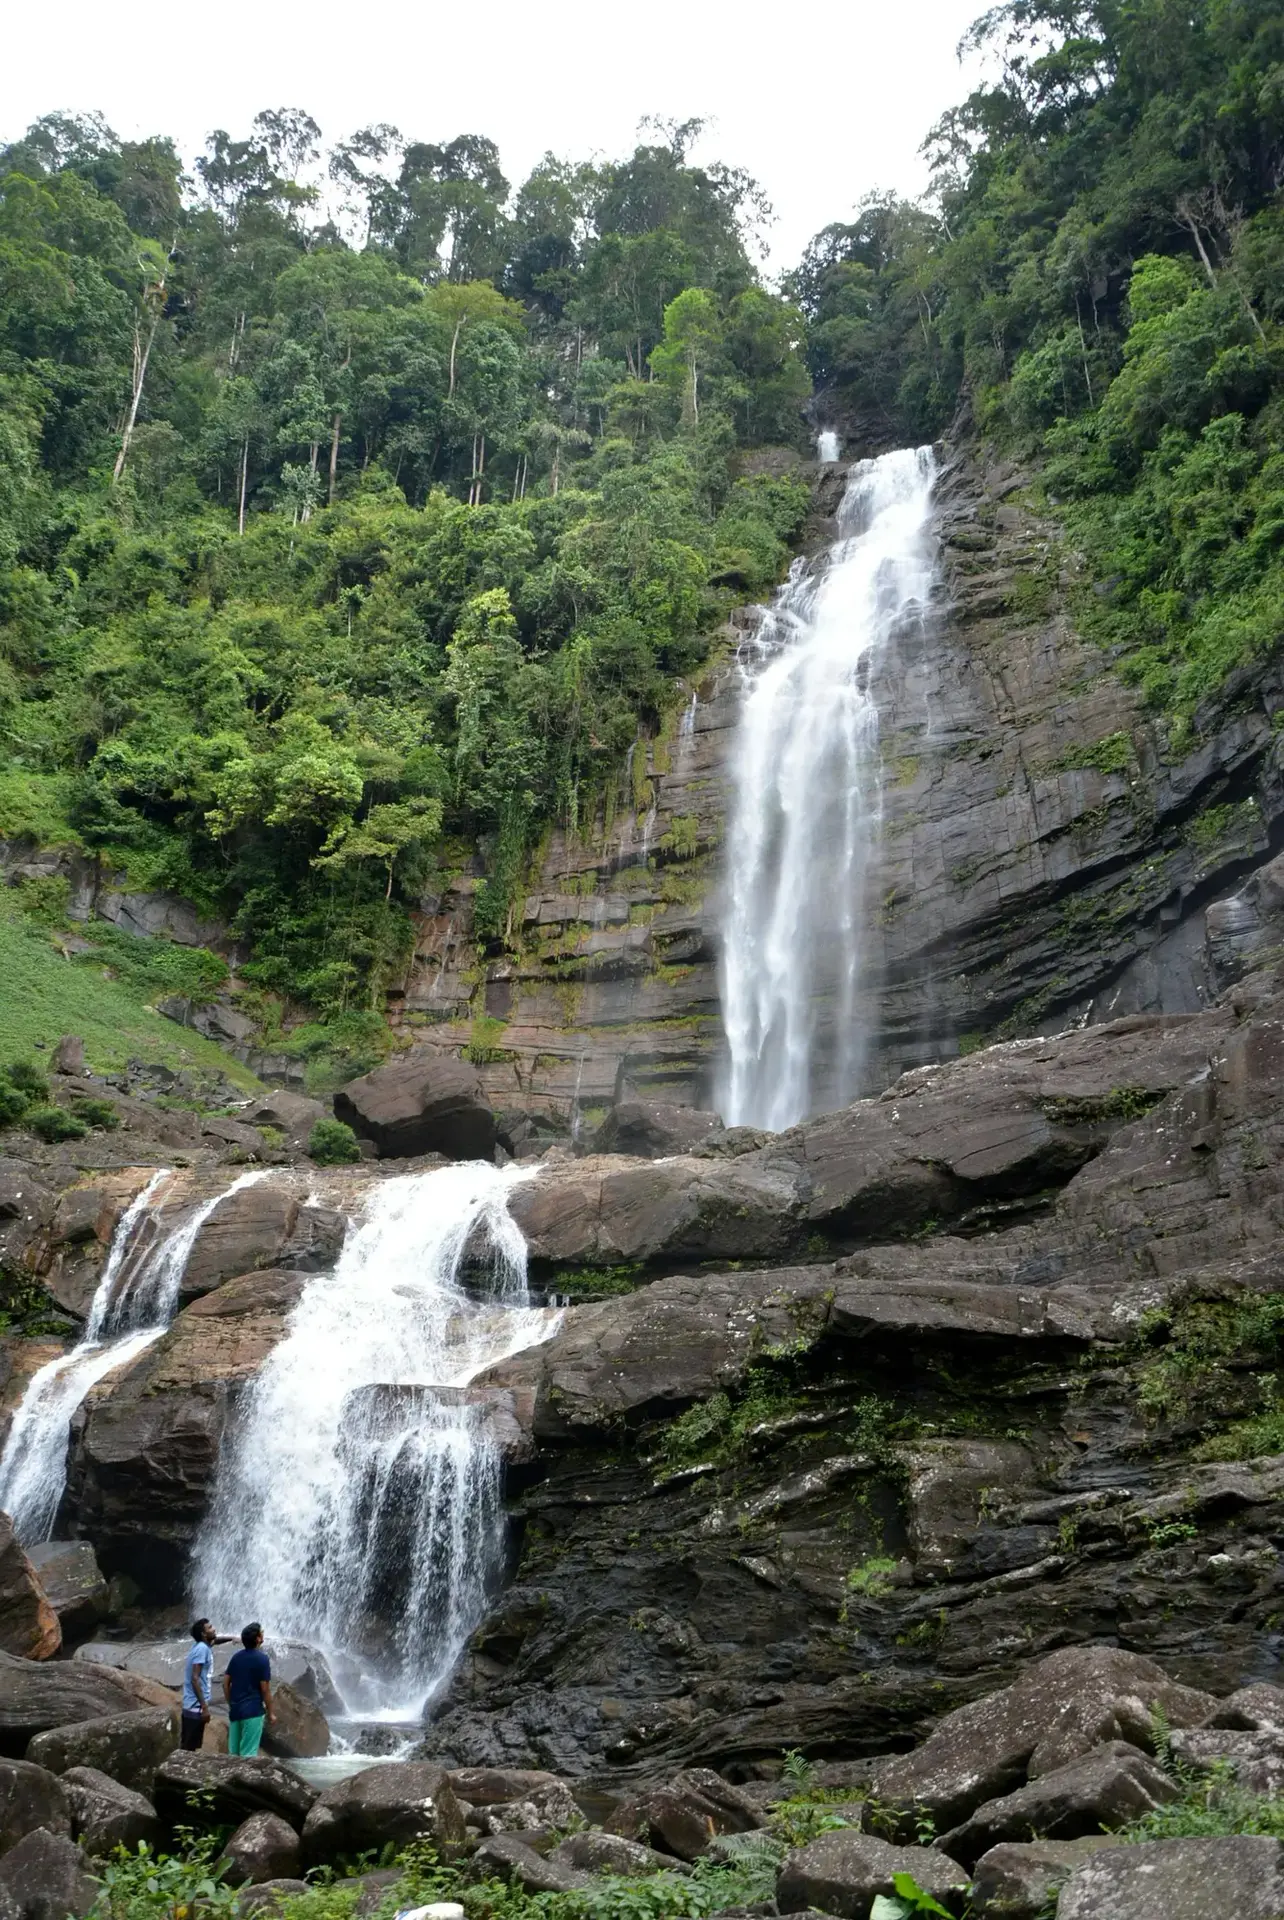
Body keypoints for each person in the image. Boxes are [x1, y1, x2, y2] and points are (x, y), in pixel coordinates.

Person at [222, 1622, 275, 1756]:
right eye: (261, 1632)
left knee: (233, 1753)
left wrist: (231, 1704)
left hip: (236, 1711)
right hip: (253, 1711)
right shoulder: (262, 1659)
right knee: (248, 1754)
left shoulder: (236, 1657)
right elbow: (265, 1689)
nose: (263, 1633)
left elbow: (225, 1683)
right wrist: (271, 1712)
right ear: (258, 1639)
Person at [181, 1619, 217, 1750]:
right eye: (210, 1627)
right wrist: (204, 1708)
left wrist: (233, 1638)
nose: (214, 1629)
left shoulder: (200, 1645)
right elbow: (194, 1679)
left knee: (190, 1746)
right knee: (189, 1748)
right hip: (195, 1707)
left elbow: (215, 1640)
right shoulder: (202, 1649)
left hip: (191, 1705)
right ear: (203, 1634)